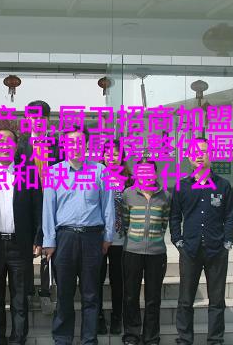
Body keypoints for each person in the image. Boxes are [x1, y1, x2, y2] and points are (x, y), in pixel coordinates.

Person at [42, 125, 115, 345]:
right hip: (64, 239)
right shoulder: (54, 172)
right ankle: (62, 338)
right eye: (71, 142)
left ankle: (89, 339)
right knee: (64, 293)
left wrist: (108, 236)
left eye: (80, 142)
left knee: (91, 294)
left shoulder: (100, 171)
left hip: (92, 238)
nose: (75, 146)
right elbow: (48, 210)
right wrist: (49, 241)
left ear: (87, 145)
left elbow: (108, 206)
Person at [0, 121, 43, 345]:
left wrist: (38, 238)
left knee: (19, 298)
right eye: (0, 141)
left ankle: (18, 339)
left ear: (16, 147)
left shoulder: (29, 173)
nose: (4, 145)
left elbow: (37, 208)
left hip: (20, 245)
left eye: (9, 141)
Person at [171, 137, 233, 345]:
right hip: (189, 251)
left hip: (216, 251)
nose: (199, 156)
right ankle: (184, 339)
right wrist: (178, 241)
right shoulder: (181, 186)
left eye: (203, 151)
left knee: (216, 301)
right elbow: (174, 217)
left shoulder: (223, 185)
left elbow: (230, 216)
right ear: (189, 157)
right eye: (194, 152)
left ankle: (215, 340)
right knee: (185, 300)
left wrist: (227, 242)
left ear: (211, 154)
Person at [121, 160, 171, 345]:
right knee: (131, 295)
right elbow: (125, 221)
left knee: (153, 298)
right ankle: (132, 335)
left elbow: (164, 222)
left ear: (155, 173)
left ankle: (151, 337)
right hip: (132, 252)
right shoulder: (128, 194)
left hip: (156, 254)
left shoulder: (166, 196)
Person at [17, 100, 58, 315]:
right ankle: (27, 291)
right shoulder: (20, 147)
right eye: (34, 117)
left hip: (52, 204)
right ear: (28, 120)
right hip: (27, 206)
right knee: (26, 247)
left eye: (42, 117)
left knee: (48, 248)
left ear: (48, 120)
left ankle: (45, 292)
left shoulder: (58, 146)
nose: (38, 121)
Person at [97, 139, 132, 335]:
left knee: (118, 281)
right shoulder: (96, 176)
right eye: (108, 154)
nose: (112, 158)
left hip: (121, 240)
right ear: (103, 156)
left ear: (122, 157)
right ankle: (99, 317)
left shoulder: (130, 180)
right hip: (99, 239)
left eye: (116, 154)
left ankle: (117, 316)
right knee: (97, 280)